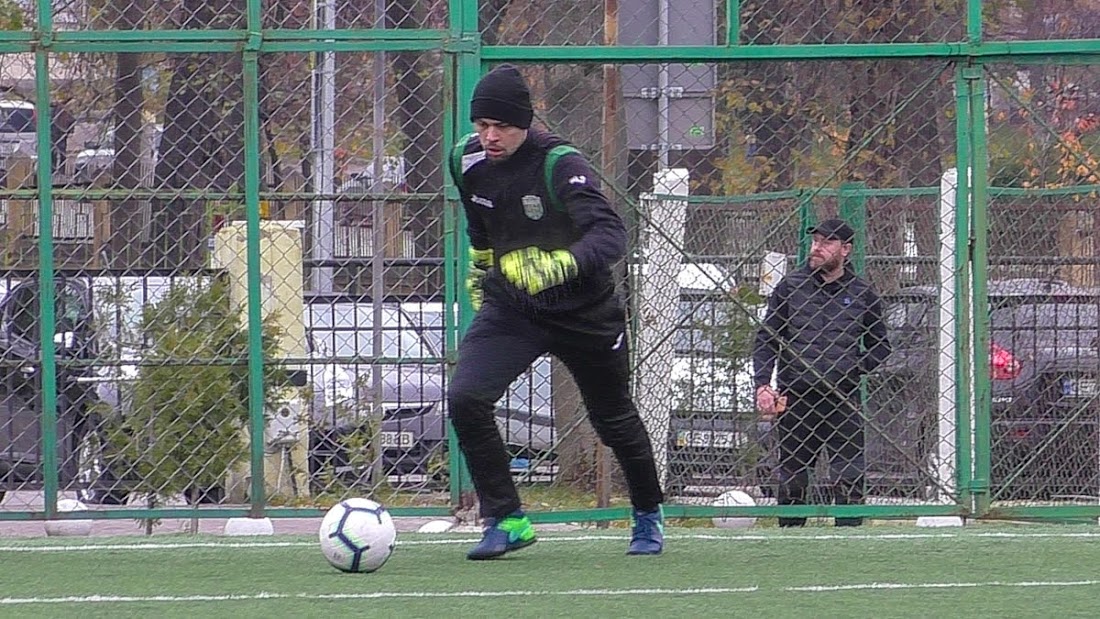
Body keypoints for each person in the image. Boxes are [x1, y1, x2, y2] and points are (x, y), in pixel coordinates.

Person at [447, 64, 665, 560]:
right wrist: (482, 267)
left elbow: (612, 235)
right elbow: (480, 218)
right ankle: (506, 518)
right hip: (514, 306)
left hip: (585, 313)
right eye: (482, 125)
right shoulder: (465, 158)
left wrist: (559, 265)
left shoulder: (560, 164)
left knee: (612, 420)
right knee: (465, 398)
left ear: (525, 122)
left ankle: (648, 515)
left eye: (501, 126)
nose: (490, 136)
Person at [752, 218, 891, 527]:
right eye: (815, 241)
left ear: (845, 250)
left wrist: (853, 369)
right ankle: (790, 534)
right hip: (797, 396)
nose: (817, 248)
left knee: (848, 474)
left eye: (827, 242)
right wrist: (763, 384)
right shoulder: (790, 286)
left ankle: (849, 534)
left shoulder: (862, 292)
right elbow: (766, 338)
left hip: (843, 398)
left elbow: (881, 346)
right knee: (792, 475)